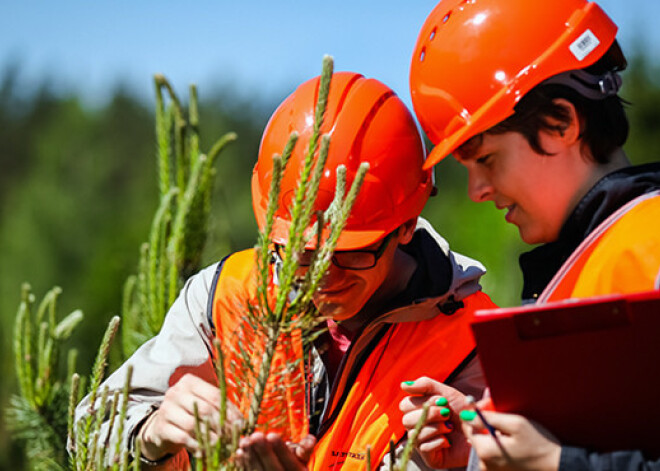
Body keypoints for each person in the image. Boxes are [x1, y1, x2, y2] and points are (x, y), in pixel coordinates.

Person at [74, 71, 497, 469]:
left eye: (350, 252)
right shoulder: (227, 296)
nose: (324, 278)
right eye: (301, 252)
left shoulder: (471, 338)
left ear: (404, 226)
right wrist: (148, 435)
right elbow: (87, 432)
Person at [400, 0, 660, 470]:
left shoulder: (650, 247)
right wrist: (482, 442)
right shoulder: (571, 267)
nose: (477, 191)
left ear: (561, 123)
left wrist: (557, 464)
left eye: (487, 159)